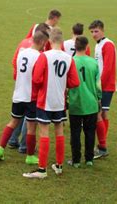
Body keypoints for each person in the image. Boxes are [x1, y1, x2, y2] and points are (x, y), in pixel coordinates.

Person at [23, 28, 80, 179]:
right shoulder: (69, 58)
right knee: (59, 130)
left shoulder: (45, 56)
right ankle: (59, 166)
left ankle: (42, 169)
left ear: (49, 40)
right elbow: (75, 82)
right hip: (60, 102)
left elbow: (36, 79)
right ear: (62, 42)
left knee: (44, 132)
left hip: (45, 100)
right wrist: (62, 84)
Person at [0, 31, 49, 164]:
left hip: (18, 94)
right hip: (31, 97)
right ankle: (30, 156)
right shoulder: (40, 56)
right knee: (31, 127)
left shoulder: (22, 53)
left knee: (13, 122)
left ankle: (0, 148)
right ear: (42, 42)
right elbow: (37, 78)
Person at [67, 36, 101, 168]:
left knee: (75, 132)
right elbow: (99, 85)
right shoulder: (93, 63)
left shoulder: (71, 62)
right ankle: (89, 159)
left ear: (75, 47)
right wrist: (98, 99)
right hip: (91, 104)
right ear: (87, 47)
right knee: (90, 132)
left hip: (76, 103)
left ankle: (76, 160)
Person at [89, 20, 117, 159]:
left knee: (100, 114)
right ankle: (101, 144)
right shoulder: (99, 45)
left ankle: (102, 146)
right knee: (103, 114)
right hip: (101, 85)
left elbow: (108, 68)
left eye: (96, 31)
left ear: (102, 30)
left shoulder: (108, 45)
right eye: (92, 32)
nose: (94, 34)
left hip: (105, 86)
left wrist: (98, 86)